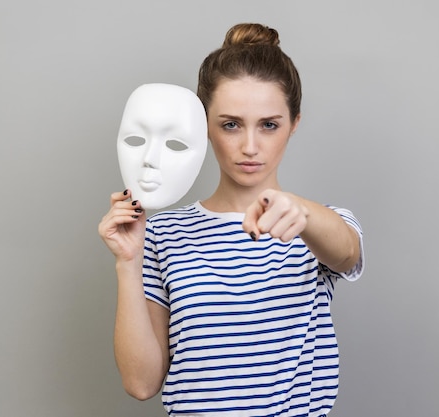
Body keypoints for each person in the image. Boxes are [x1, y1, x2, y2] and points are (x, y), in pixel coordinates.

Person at [98, 22, 364, 417]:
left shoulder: (314, 225)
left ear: (294, 124)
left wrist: (303, 214)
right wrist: (127, 262)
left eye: (269, 125)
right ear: (204, 127)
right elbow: (141, 384)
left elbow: (346, 252)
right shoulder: (162, 234)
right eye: (230, 124)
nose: (250, 147)